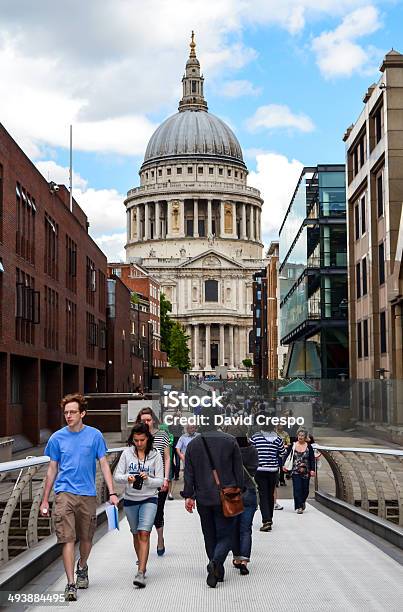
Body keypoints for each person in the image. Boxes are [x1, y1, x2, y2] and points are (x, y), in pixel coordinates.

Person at [40, 393, 119, 602]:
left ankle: (82, 566)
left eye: (73, 412)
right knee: (67, 538)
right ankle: (70, 583)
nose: (68, 415)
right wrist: (44, 500)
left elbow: (104, 464)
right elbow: (52, 469)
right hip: (64, 493)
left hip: (87, 494)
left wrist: (112, 493)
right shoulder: (57, 438)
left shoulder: (95, 436)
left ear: (82, 413)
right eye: (66, 412)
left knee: (86, 539)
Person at [183, 406, 244, 588]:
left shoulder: (194, 444)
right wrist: (239, 489)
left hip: (203, 496)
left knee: (208, 533)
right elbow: (238, 470)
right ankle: (216, 563)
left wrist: (189, 495)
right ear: (219, 420)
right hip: (226, 495)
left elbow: (189, 473)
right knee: (226, 533)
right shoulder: (230, 441)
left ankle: (216, 567)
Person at [114, 423, 163, 588]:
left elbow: (160, 481)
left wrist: (148, 479)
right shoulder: (127, 453)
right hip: (130, 499)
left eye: (142, 440)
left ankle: (140, 571)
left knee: (144, 532)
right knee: (135, 533)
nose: (139, 443)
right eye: (136, 440)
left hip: (150, 497)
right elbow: (117, 476)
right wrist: (129, 477)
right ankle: (142, 562)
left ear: (148, 439)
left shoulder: (155, 455)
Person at [135, 408, 170, 555]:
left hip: (158, 480)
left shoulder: (162, 435)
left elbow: (167, 457)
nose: (146, 423)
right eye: (143, 420)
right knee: (140, 514)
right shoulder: (136, 437)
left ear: (153, 420)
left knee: (158, 511)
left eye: (148, 420)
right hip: (141, 481)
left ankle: (160, 539)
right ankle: (143, 544)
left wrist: (166, 479)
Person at [226, 426, 258, 576]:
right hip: (250, 490)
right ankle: (245, 560)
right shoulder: (253, 450)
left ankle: (237, 557)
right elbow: (254, 468)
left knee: (234, 527)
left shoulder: (231, 450)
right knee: (246, 528)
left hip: (235, 492)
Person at [250, 417, 285, 532]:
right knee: (270, 494)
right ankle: (269, 517)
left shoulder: (256, 437)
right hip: (273, 470)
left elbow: (251, 451)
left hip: (260, 470)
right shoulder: (278, 438)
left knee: (263, 494)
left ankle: (266, 520)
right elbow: (282, 452)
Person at [283, 428, 315, 514]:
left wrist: (312, 470)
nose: (300, 437)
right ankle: (299, 506)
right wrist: (283, 465)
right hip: (295, 471)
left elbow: (312, 459)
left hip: (306, 471)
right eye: (299, 435)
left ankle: (303, 501)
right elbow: (287, 456)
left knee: (305, 489)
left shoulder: (309, 447)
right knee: (297, 489)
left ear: (305, 437)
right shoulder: (293, 445)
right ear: (297, 436)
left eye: (302, 436)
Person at [170, 409, 183, 480]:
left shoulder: (181, 427)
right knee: (171, 461)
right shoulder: (170, 426)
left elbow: (182, 437)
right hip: (171, 446)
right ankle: (175, 471)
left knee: (178, 463)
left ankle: (177, 475)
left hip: (178, 447)